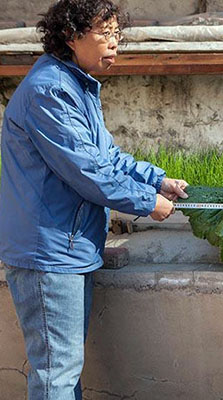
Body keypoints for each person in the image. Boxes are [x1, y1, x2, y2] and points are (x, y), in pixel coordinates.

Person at [0, 0, 189, 398]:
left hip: (67, 248)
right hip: (49, 255)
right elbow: (87, 172)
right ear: (70, 35)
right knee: (56, 374)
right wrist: (145, 202)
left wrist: (156, 180)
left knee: (63, 368)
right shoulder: (49, 91)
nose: (114, 43)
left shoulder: (74, 84)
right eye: (104, 34)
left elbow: (105, 157)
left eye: (117, 34)